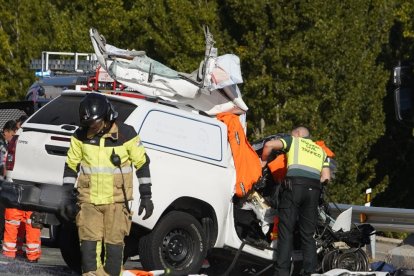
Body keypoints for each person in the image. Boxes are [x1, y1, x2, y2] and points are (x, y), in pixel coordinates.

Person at [60, 92, 154, 276]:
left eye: (95, 123)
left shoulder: (126, 134)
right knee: (88, 253)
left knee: (113, 255)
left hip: (116, 204)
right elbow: (71, 166)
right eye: (89, 125)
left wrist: (146, 196)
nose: (92, 128)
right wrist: (66, 196)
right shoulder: (80, 136)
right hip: (88, 203)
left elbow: (142, 163)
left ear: (107, 116)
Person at [261, 126, 330, 276]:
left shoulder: (294, 141)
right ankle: (309, 271)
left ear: (298, 134)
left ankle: (282, 272)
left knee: (286, 231)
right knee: (308, 234)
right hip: (313, 191)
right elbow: (326, 177)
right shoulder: (321, 151)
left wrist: (263, 161)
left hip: (294, 188)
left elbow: (269, 145)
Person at [1, 120, 41, 262]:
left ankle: (12, 252)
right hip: (32, 187)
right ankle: (31, 254)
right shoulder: (38, 142)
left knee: (16, 220)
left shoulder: (17, 142)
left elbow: (7, 167)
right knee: (30, 220)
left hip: (15, 186)